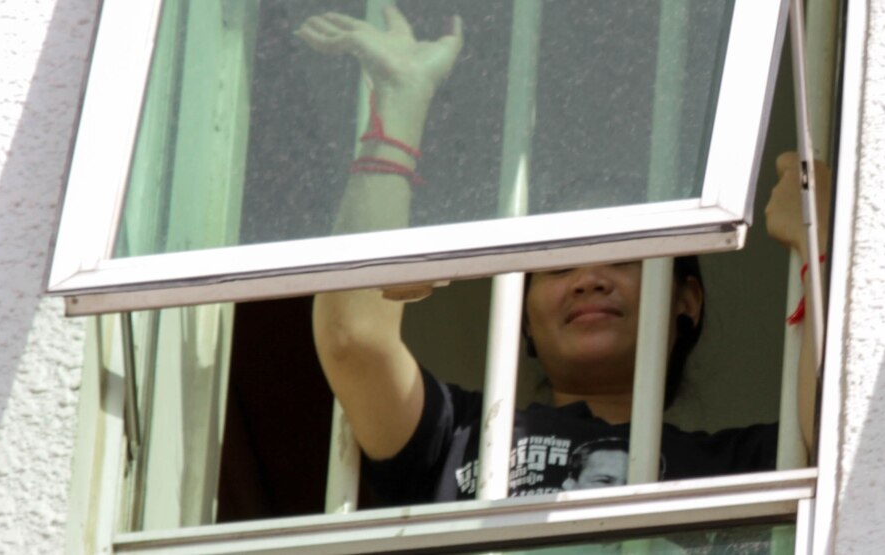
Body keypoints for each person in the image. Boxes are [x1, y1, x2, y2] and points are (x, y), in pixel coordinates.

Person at [301, 6, 828, 505]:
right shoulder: (460, 439)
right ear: (522, 316)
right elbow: (354, 339)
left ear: (686, 300)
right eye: (556, 267)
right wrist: (399, 101)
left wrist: (818, 244)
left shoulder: (742, 469)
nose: (588, 279)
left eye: (623, 258)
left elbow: (844, 440)